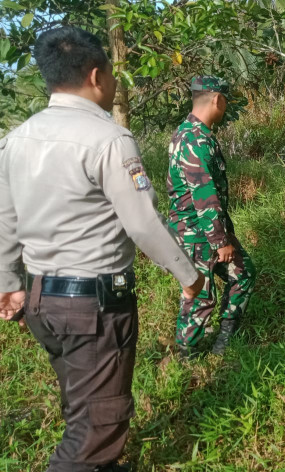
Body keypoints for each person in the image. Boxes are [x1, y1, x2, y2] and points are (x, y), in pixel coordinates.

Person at [0, 26, 204, 472]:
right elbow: (143, 222)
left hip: (42, 302)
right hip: (92, 306)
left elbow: (5, 220)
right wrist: (189, 276)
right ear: (96, 76)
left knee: (82, 405)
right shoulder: (108, 139)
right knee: (95, 429)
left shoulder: (17, 139)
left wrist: (10, 284)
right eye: (112, 75)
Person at [167, 76, 256, 359]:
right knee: (200, 297)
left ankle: (225, 340)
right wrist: (220, 242)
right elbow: (204, 197)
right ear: (217, 99)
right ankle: (187, 356)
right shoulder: (194, 139)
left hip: (206, 230)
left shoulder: (189, 132)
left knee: (244, 273)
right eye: (226, 101)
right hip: (196, 234)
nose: (226, 107)